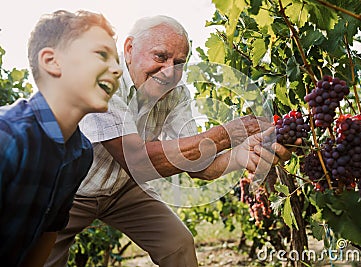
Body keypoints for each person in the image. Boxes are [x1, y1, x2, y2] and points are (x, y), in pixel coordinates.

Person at [45, 16, 294, 267]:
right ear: (129, 49)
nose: (169, 71)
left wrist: (239, 155)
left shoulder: (175, 94)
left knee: (178, 244)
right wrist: (226, 134)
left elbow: (199, 165)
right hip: (69, 190)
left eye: (179, 63)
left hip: (123, 189)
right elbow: (138, 161)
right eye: (160, 57)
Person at [0, 10, 122, 267]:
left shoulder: (80, 153)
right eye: (102, 54)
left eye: (117, 60)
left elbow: (48, 232)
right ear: (52, 62)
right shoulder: (7, 136)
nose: (117, 69)